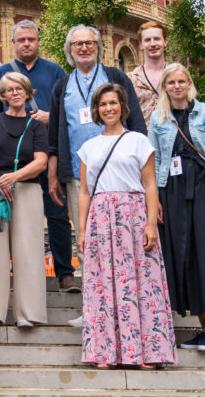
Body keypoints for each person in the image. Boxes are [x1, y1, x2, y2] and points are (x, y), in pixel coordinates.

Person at [77, 83, 176, 369]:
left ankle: (146, 352)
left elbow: (150, 184)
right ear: (96, 110)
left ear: (122, 106)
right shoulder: (88, 148)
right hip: (101, 218)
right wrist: (82, 230)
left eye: (113, 103)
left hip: (133, 216)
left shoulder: (138, 141)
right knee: (103, 284)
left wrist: (151, 223)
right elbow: (84, 192)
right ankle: (105, 352)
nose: (108, 108)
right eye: (103, 104)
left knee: (142, 283)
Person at [47, 25, 146, 295]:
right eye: (77, 44)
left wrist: (141, 164)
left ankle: (125, 296)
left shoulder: (115, 77)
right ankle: (95, 301)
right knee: (87, 236)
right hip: (79, 174)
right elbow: (54, 135)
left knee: (122, 234)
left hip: (119, 172)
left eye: (89, 43)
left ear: (98, 47)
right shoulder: (62, 86)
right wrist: (53, 174)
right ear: (70, 50)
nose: (84, 48)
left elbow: (136, 121)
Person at [148, 63, 205, 352]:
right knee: (181, 253)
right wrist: (154, 201)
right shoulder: (158, 118)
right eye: (171, 82)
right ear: (164, 87)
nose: (177, 86)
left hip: (204, 184)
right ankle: (194, 327)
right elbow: (153, 162)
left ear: (189, 84)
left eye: (181, 81)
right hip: (171, 189)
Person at [0, 72, 49, 327]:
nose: (15, 93)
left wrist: (13, 178)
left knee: (28, 251)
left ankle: (28, 313)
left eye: (20, 88)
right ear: (2, 95)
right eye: (9, 89)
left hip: (27, 190)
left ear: (28, 92)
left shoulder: (37, 125)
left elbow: (41, 161)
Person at [0, 19, 65, 121]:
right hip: (11, 131)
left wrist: (50, 118)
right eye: (21, 40)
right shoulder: (1, 73)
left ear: (39, 41)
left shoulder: (55, 71)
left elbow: (68, 107)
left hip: (46, 130)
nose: (26, 44)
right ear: (14, 42)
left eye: (31, 39)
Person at [129, 21, 169, 124]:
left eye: (157, 39)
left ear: (165, 42)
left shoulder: (177, 76)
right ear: (141, 45)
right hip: (141, 133)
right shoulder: (131, 79)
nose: (153, 44)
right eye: (147, 40)